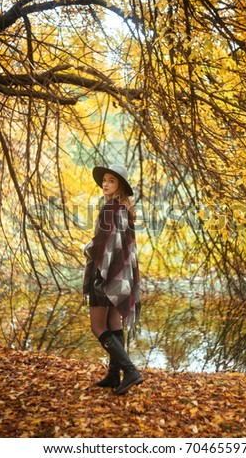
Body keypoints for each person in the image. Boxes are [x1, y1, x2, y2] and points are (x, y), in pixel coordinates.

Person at [83, 164, 143, 395]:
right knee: (113, 324)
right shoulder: (124, 209)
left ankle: (129, 371)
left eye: (111, 181)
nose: (105, 183)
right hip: (119, 276)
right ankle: (113, 374)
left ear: (120, 186)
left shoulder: (110, 209)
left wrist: (86, 248)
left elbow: (101, 245)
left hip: (103, 275)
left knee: (97, 326)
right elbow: (121, 247)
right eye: (105, 180)